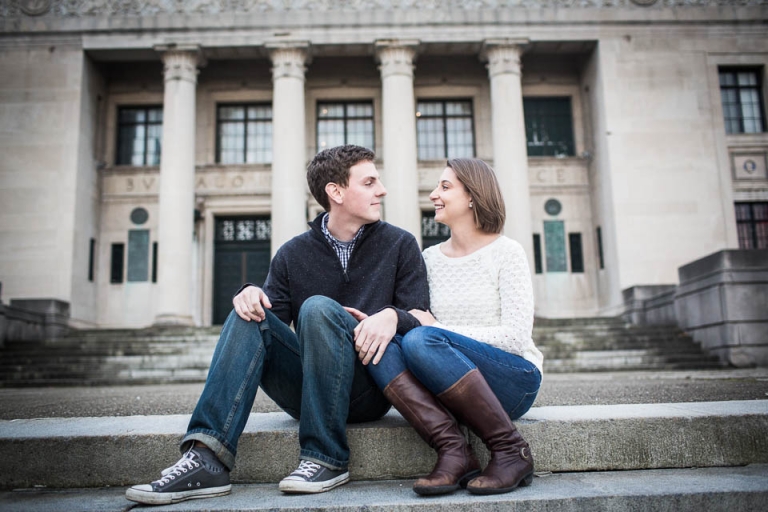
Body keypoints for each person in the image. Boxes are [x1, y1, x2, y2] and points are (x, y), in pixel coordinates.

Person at [126, 144, 429, 505]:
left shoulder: (400, 244)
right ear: (336, 192)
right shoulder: (292, 253)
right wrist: (250, 295)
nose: (382, 190)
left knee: (317, 308)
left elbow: (423, 319)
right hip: (309, 390)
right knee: (249, 310)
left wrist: (393, 316)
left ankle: (326, 458)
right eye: (369, 182)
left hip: (371, 388)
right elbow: (270, 322)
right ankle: (206, 458)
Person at [347, 158, 543, 496]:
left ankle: (511, 449)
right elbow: (413, 324)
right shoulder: (428, 259)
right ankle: (455, 452)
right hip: (448, 386)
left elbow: (516, 337)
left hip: (513, 380)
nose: (434, 194)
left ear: (472, 196)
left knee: (424, 338)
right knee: (381, 343)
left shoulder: (507, 252)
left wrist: (441, 330)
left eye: (445, 187)